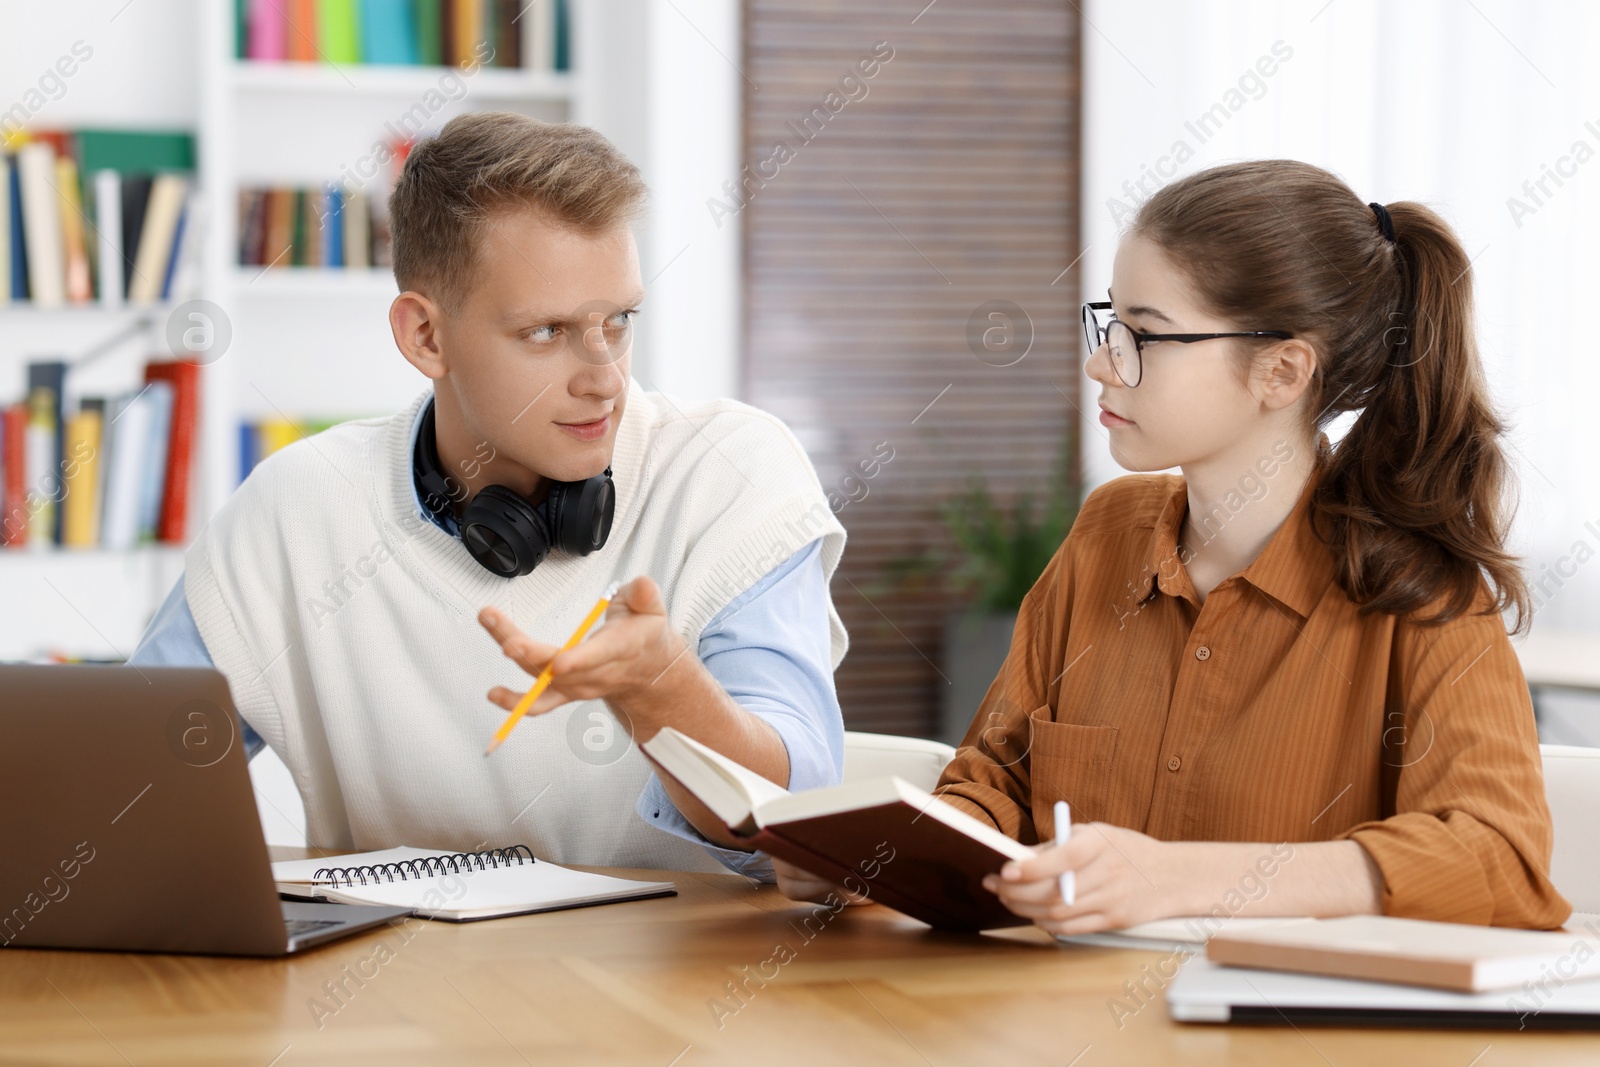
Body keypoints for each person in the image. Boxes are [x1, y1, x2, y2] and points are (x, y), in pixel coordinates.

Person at [781, 158, 1569, 930]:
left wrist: (1178, 878)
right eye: (1108, 323)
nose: (1100, 362)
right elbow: (999, 780)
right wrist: (879, 858)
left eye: (1144, 336)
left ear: (1282, 370)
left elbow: (1496, 856)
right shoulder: (1107, 533)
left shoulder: (1422, 587)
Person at [131, 112, 847, 879]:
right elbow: (124, 784)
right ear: (425, 338)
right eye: (546, 332)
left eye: (619, 320)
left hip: (682, 993)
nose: (603, 375)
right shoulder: (299, 506)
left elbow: (804, 820)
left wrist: (662, 689)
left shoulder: (731, 473)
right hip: (397, 990)